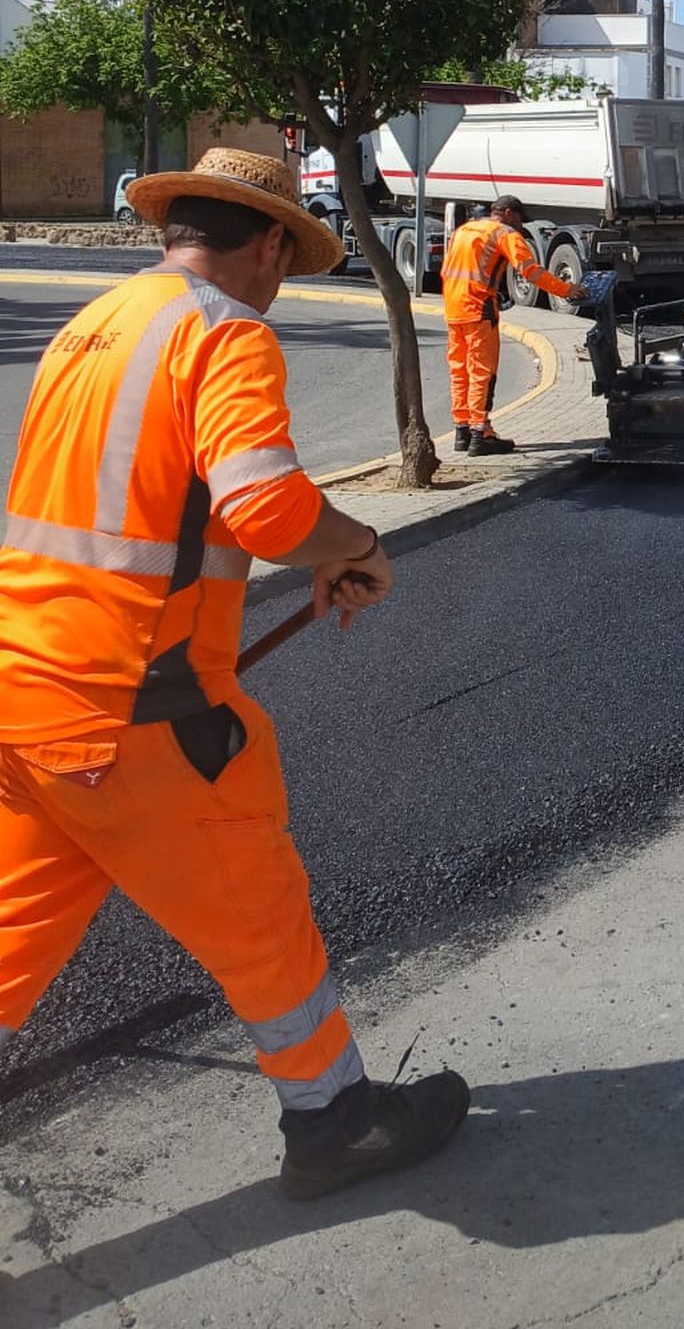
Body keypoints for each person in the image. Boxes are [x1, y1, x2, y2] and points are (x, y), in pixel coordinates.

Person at [0, 147, 468, 1199]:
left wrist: (305, 556)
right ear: (263, 245)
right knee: (259, 917)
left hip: (25, 692)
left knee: (7, 939)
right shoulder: (225, 332)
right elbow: (263, 503)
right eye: (285, 261)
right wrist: (355, 548)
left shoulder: (95, 324)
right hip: (137, 717)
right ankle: (337, 1122)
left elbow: (146, 506)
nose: (282, 282)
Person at [443, 195, 576, 456]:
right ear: (506, 213)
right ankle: (481, 435)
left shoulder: (465, 230)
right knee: (482, 372)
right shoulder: (505, 234)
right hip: (479, 310)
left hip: (453, 308)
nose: (519, 226)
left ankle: (463, 431)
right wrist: (567, 290)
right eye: (517, 219)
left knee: (460, 371)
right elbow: (531, 272)